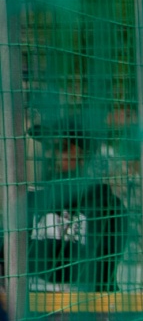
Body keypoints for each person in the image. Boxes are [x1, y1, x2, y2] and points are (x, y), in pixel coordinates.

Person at [29, 122, 126, 291]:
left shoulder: (108, 207)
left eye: (61, 148)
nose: (50, 155)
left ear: (84, 156)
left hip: (89, 304)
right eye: (48, 148)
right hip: (30, 304)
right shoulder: (31, 202)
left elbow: (100, 269)